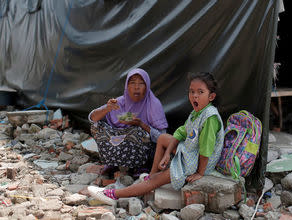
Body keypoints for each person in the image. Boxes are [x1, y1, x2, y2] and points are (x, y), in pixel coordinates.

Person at [88, 72, 224, 205]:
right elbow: (181, 132)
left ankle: (113, 195)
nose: (195, 96)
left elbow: (206, 148)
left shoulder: (209, 117)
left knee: (156, 180)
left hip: (196, 162)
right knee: (164, 139)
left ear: (211, 96)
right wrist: (166, 153)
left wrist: (200, 173)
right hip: (190, 152)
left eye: (200, 92)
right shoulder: (196, 113)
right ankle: (152, 175)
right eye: (191, 91)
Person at [89, 68, 168, 174]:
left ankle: (140, 167)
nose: (136, 87)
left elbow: (162, 138)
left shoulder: (153, 104)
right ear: (127, 86)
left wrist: (141, 124)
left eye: (141, 83)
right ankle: (113, 163)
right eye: (132, 83)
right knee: (96, 127)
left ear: (147, 86)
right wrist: (107, 108)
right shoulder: (120, 102)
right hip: (121, 147)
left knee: (137, 132)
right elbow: (92, 118)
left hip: (145, 153)